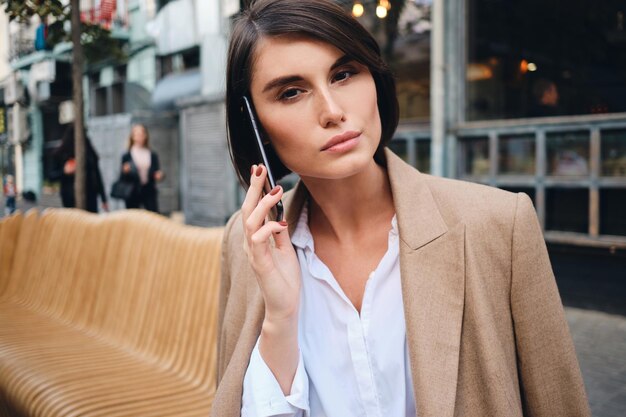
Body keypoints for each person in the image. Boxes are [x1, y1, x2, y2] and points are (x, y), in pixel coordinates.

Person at [212, 1, 590, 416]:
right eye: (291, 92)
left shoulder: (498, 224)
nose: (333, 111)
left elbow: (559, 402)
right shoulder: (248, 242)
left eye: (344, 74)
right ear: (255, 124)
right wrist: (280, 319)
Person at [50, 126, 108, 213]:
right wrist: (64, 171)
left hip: (90, 195)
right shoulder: (62, 154)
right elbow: (51, 175)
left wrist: (103, 198)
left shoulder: (89, 153)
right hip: (70, 197)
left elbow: (97, 175)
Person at [119, 124, 163, 213]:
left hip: (148, 190)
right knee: (133, 218)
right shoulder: (127, 155)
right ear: (132, 136)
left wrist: (159, 175)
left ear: (146, 136)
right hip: (132, 191)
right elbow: (122, 178)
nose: (140, 136)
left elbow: (156, 172)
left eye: (142, 133)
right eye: (137, 134)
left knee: (153, 217)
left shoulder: (152, 154)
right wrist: (125, 171)